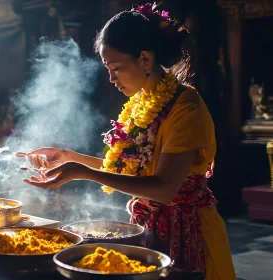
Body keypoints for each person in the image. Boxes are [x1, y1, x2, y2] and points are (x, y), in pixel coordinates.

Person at [18, 3, 236, 279]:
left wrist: (84, 174)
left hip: (186, 229)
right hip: (150, 226)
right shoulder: (141, 102)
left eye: (116, 68)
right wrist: (69, 157)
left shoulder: (185, 108)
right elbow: (132, 170)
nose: (111, 79)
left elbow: (163, 188)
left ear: (145, 59)